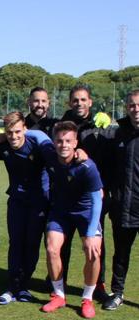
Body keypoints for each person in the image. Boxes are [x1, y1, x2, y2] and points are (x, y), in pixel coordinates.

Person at [41, 121, 103, 319]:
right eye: (59, 141)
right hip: (60, 212)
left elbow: (96, 200)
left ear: (76, 142)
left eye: (68, 140)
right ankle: (59, 295)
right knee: (51, 248)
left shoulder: (87, 166)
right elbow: (32, 136)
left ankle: (87, 298)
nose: (64, 145)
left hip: (86, 212)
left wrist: (93, 232)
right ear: (53, 142)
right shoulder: (49, 155)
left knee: (93, 252)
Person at [0, 112, 56, 305]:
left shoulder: (38, 145)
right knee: (16, 244)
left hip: (39, 203)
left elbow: (59, 160)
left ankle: (22, 286)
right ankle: (13, 287)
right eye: (9, 132)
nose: (14, 136)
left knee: (31, 245)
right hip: (17, 202)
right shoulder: (3, 145)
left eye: (18, 131)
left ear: (25, 130)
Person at [59, 85, 108, 298]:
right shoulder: (63, 123)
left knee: (96, 241)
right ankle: (60, 282)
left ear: (90, 102)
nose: (79, 103)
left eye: (83, 100)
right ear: (70, 103)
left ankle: (99, 284)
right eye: (75, 100)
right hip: (66, 195)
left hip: (92, 195)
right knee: (63, 242)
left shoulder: (99, 126)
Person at [103, 89, 139, 310]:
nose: (136, 110)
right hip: (123, 207)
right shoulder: (118, 134)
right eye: (132, 105)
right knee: (121, 254)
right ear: (127, 108)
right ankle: (117, 293)